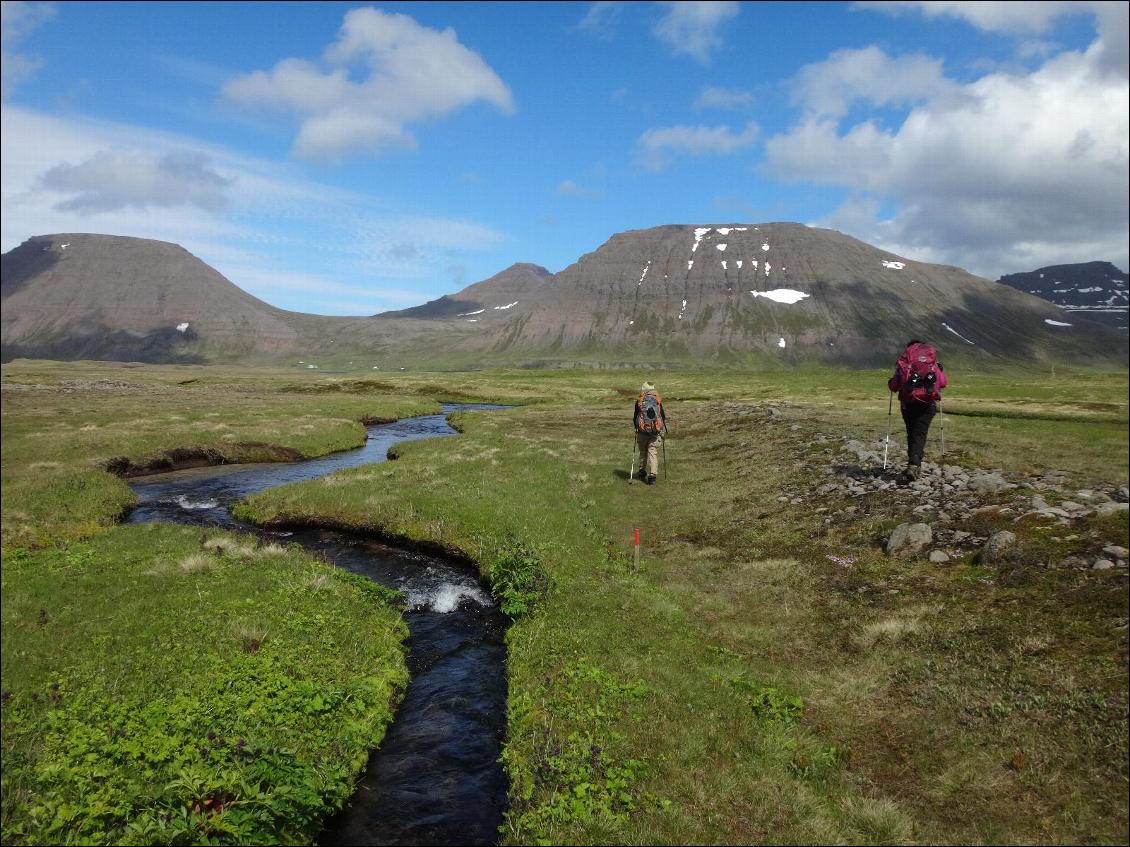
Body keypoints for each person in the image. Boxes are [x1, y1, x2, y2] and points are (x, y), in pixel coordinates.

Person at [888, 340, 948, 482]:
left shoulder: (904, 363)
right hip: (928, 404)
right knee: (920, 434)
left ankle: (913, 465)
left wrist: (890, 382)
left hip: (908, 404)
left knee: (912, 433)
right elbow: (943, 383)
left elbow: (894, 386)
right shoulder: (931, 364)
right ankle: (914, 465)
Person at [633, 381, 666, 485]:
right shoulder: (657, 399)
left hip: (642, 431)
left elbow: (635, 416)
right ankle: (652, 476)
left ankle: (642, 472)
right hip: (655, 431)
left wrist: (636, 426)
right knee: (653, 452)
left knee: (643, 452)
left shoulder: (640, 399)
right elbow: (662, 415)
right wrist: (661, 428)